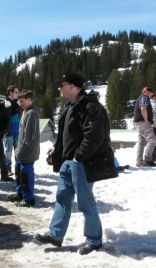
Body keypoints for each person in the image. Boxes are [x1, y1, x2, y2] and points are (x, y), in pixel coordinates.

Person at [35, 72, 107, 255]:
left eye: (62, 85)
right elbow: (68, 136)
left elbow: (94, 137)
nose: (59, 88)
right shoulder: (70, 107)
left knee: (85, 202)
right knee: (63, 198)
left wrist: (78, 157)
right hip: (68, 162)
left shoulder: (90, 106)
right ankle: (55, 234)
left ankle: (94, 240)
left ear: (73, 87)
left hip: (81, 163)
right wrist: (57, 150)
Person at [8, 90, 40, 207]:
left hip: (27, 152)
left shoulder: (31, 113)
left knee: (26, 175)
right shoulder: (25, 111)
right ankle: (20, 193)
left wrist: (20, 151)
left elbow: (29, 137)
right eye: (19, 101)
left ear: (29, 100)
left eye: (22, 101)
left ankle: (28, 199)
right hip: (21, 151)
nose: (20, 103)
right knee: (19, 173)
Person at [133, 87, 156, 166]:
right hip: (143, 122)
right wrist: (146, 120)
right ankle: (148, 160)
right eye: (151, 93)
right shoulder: (144, 97)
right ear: (146, 92)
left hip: (138, 122)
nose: (152, 95)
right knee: (153, 140)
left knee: (142, 142)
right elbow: (143, 108)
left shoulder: (140, 97)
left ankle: (139, 161)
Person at [3, 85, 21, 176]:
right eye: (16, 92)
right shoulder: (5, 103)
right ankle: (8, 168)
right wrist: (5, 131)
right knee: (8, 151)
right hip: (9, 132)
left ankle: (18, 168)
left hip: (17, 131)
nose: (18, 94)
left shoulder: (17, 102)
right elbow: (3, 119)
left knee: (17, 151)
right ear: (10, 93)